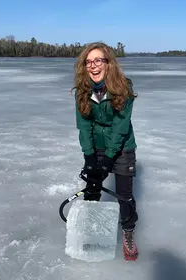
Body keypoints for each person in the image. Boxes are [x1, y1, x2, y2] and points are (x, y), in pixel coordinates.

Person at [71, 42, 139, 261]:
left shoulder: (123, 87)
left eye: (98, 60)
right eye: (89, 62)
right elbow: (83, 125)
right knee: (92, 190)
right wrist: (89, 157)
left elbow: (121, 126)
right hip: (97, 145)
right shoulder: (83, 90)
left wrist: (109, 157)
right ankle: (91, 232)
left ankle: (128, 234)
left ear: (108, 63)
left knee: (125, 196)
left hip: (122, 146)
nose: (93, 66)